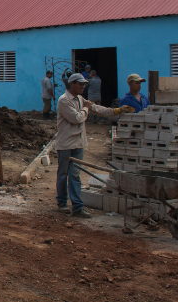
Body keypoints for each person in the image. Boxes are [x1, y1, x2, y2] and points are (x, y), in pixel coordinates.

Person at [56, 73, 134, 218]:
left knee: (75, 175)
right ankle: (61, 202)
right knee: (62, 175)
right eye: (80, 84)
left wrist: (116, 111)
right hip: (66, 144)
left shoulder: (80, 99)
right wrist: (86, 108)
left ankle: (77, 207)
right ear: (71, 83)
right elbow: (76, 118)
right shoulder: (63, 100)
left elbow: (97, 109)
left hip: (78, 144)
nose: (83, 87)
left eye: (84, 84)